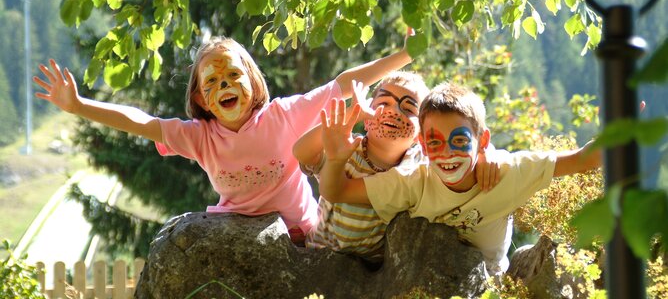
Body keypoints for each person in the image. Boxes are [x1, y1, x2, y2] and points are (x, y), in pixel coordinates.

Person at [33, 33, 413, 244]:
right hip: (237, 238)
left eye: (233, 75)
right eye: (212, 82)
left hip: (304, 237)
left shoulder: (282, 116)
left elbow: (342, 84)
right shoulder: (199, 137)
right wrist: (79, 105)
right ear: (201, 99)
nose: (225, 86)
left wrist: (404, 56)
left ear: (253, 80)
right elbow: (142, 122)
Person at [317, 82, 601, 274]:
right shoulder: (413, 181)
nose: (448, 153)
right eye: (436, 143)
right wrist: (336, 158)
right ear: (424, 147)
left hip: (487, 279)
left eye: (460, 141)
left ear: (482, 141)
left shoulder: (506, 172)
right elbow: (336, 191)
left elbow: (584, 159)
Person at [294, 71, 430, 262]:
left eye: (409, 108)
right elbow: (301, 152)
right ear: (366, 119)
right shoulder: (347, 148)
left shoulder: (415, 166)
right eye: (383, 103)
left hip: (368, 270)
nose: (394, 111)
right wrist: (352, 113)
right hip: (317, 256)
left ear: (419, 135)